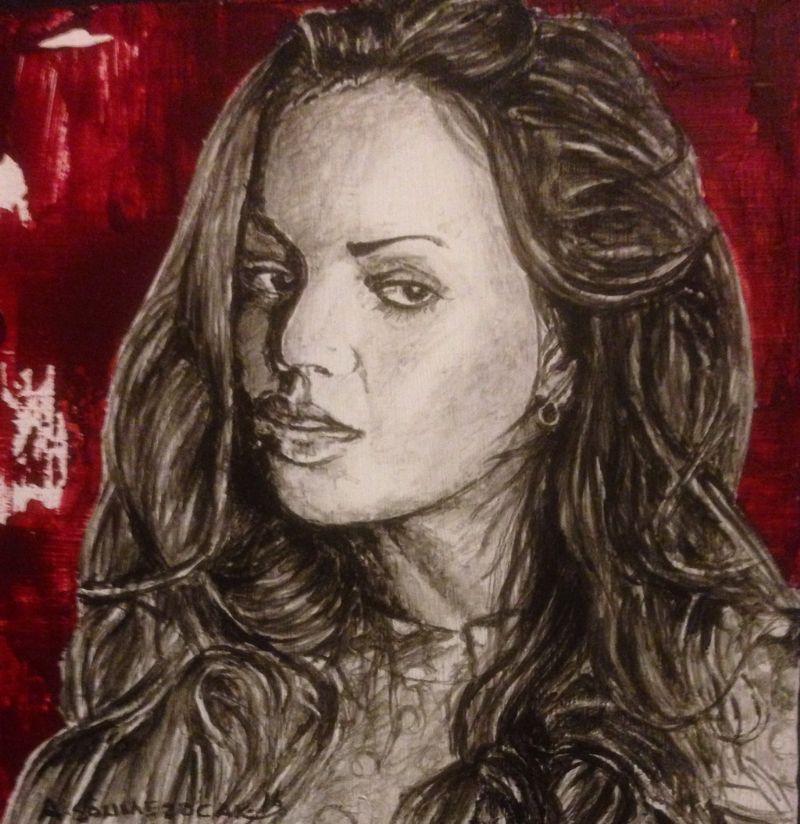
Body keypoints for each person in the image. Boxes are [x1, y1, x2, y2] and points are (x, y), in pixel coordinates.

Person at [4, 0, 798, 822]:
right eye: (267, 277)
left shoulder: (755, 724)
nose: (298, 343)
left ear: (567, 347)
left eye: (401, 288)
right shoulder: (172, 718)